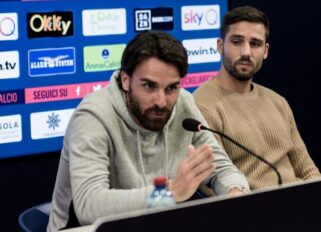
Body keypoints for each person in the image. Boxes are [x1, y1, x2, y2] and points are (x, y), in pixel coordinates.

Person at [47, 31, 249, 232]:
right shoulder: (92, 115)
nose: (161, 101)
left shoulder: (184, 103)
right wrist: (167, 194)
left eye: (171, 88)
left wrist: (236, 192)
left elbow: (219, 167)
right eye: (149, 86)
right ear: (125, 80)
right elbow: (89, 206)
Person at [193, 6, 321, 190]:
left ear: (266, 50)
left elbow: (308, 170)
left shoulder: (278, 102)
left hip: (302, 206)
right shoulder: (201, 105)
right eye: (237, 42)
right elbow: (212, 186)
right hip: (252, 211)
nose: (246, 52)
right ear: (220, 46)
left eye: (255, 44)